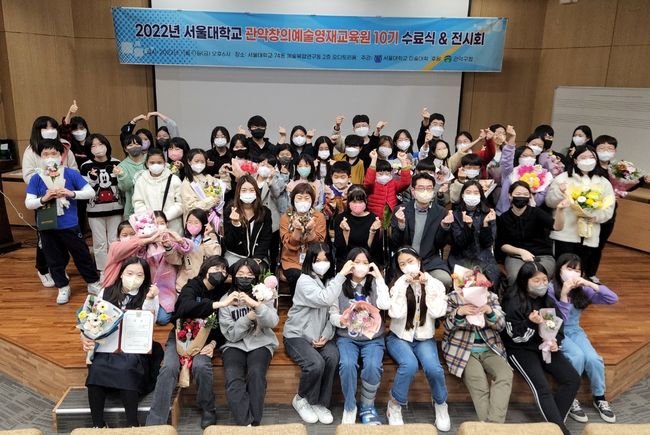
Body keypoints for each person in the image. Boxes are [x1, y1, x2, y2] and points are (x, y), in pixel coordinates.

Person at [147, 255, 235, 429]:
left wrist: (213, 344)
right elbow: (184, 308)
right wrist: (217, 304)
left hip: (206, 339)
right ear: (206, 269)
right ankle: (155, 420)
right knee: (169, 367)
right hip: (180, 335)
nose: (220, 272)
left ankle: (208, 409)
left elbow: (222, 324)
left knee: (201, 366)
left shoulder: (223, 291)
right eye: (216, 268)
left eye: (224, 270)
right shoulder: (192, 286)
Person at [501, 261, 581, 435]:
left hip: (544, 346)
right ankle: (561, 431)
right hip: (520, 349)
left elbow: (557, 326)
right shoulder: (512, 301)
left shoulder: (547, 299)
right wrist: (530, 322)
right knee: (542, 388)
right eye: (536, 281)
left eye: (545, 280)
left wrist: (555, 342)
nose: (542, 284)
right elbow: (515, 337)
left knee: (572, 379)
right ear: (525, 281)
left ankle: (554, 427)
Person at [81, 257, 161, 428]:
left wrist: (149, 299)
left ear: (145, 277)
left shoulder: (150, 294)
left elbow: (149, 324)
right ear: (121, 274)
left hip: (133, 348)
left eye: (139, 275)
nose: (134, 278)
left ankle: (133, 425)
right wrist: (86, 337)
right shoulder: (106, 292)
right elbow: (93, 320)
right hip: (108, 346)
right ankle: (98, 425)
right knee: (96, 370)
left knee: (128, 367)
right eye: (130, 273)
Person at [25, 139, 101, 304]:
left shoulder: (71, 174)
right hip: (47, 226)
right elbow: (29, 203)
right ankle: (63, 287)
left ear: (61, 156)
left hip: (69, 224)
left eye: (53, 153)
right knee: (53, 259)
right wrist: (44, 199)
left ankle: (93, 282)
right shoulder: (37, 178)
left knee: (82, 255)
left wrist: (71, 193)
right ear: (40, 157)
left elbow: (90, 192)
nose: (49, 157)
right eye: (45, 154)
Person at [548, 253, 618, 424]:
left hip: (575, 330)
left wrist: (590, 284)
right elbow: (557, 320)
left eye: (577, 270)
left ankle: (599, 397)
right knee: (577, 356)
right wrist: (564, 295)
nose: (573, 273)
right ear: (559, 269)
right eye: (569, 268)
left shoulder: (582, 288)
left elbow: (612, 299)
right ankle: (571, 397)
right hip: (557, 330)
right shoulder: (550, 288)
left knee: (593, 359)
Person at [385, 248, 449, 430]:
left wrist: (428, 284)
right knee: (409, 365)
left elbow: (438, 312)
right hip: (399, 338)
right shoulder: (397, 285)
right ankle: (394, 405)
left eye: (410, 261)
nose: (407, 266)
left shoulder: (435, 284)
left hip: (424, 338)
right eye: (402, 264)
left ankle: (441, 404)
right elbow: (395, 314)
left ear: (419, 261)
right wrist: (403, 285)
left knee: (434, 369)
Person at [442, 267, 513, 424]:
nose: (477, 284)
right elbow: (446, 326)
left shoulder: (491, 297)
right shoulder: (453, 297)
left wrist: (489, 312)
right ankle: (493, 428)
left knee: (505, 374)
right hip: (463, 350)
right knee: (479, 384)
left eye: (481, 282)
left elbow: (501, 325)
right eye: (472, 281)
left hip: (490, 348)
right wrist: (460, 312)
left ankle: (492, 425)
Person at [329, 248, 390, 424]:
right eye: (357, 262)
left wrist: (379, 278)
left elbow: (385, 304)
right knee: (347, 365)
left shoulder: (375, 284)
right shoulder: (338, 284)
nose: (361, 266)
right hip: (347, 337)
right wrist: (341, 320)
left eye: (365, 262)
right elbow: (332, 313)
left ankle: (367, 406)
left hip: (373, 339)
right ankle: (350, 406)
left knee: (372, 366)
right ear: (349, 264)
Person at [283, 243, 342, 425]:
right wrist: (341, 275)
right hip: (297, 335)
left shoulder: (332, 282)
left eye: (326, 259)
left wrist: (326, 334)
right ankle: (301, 398)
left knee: (332, 356)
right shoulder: (304, 280)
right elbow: (324, 299)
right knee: (315, 363)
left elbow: (333, 312)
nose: (322, 264)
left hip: (321, 335)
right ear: (310, 261)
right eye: (318, 260)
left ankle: (319, 403)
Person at [219, 258, 280, 426]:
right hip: (234, 345)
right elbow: (231, 335)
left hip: (261, 342)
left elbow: (272, 322)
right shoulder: (226, 299)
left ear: (256, 277)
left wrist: (257, 306)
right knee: (233, 378)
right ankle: (245, 423)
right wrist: (248, 317)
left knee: (256, 374)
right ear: (234, 276)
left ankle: (255, 423)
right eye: (240, 273)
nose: (245, 277)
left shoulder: (263, 294)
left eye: (250, 274)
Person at [22, 115, 77, 288]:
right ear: (37, 130)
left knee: (65, 236)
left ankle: (59, 268)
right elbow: (28, 175)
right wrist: (46, 180)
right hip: (44, 199)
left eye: (52, 127)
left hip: (64, 197)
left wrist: (64, 183)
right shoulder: (31, 150)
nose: (50, 131)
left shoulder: (64, 147)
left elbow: (73, 170)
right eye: (45, 128)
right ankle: (43, 269)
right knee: (45, 238)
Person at [545, 145, 615, 279]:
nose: (588, 160)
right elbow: (550, 202)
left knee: (581, 268)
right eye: (583, 157)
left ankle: (578, 289)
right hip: (566, 232)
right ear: (575, 160)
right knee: (562, 266)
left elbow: (609, 207)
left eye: (591, 157)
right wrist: (560, 192)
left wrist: (596, 217)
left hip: (589, 232)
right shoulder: (563, 178)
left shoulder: (603, 182)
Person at [496, 181, 569, 285]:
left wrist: (560, 210)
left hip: (542, 256)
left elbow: (557, 227)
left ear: (530, 196)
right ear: (510, 195)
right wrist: (521, 252)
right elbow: (502, 245)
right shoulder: (504, 217)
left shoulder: (537, 212)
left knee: (538, 277)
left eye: (525, 194)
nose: (521, 197)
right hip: (516, 257)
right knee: (516, 277)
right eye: (518, 194)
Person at [390, 173, 452, 290]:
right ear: (413, 191)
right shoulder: (401, 210)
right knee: (397, 286)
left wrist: (444, 226)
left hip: (430, 261)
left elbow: (440, 244)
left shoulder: (441, 212)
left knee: (445, 279)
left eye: (429, 188)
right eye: (421, 188)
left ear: (433, 191)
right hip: (405, 261)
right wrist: (401, 224)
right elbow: (395, 243)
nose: (425, 191)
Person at [79, 134, 124, 273]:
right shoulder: (85, 166)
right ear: (89, 149)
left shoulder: (117, 163)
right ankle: (103, 271)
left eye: (100, 144)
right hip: (95, 211)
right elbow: (84, 189)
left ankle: (116, 269)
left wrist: (120, 175)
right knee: (99, 243)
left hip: (116, 209)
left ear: (107, 145)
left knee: (114, 241)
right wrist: (92, 179)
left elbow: (122, 186)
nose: (98, 148)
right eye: (93, 146)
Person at [447, 181, 500, 287]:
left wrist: (485, 224)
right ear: (462, 195)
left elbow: (488, 243)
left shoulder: (488, 213)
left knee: (488, 282)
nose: (472, 195)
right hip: (460, 258)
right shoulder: (456, 214)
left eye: (476, 193)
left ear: (481, 195)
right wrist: (468, 227)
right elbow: (459, 243)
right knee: (465, 284)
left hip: (483, 258)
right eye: (468, 192)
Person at [279, 183, 327, 292]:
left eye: (306, 198)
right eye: (299, 198)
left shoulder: (319, 217)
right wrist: (297, 230)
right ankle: (297, 302)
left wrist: (310, 231)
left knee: (314, 277)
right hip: (291, 260)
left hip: (313, 260)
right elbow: (288, 245)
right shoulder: (286, 217)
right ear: (293, 200)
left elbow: (319, 245)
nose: (303, 201)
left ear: (312, 200)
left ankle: (312, 302)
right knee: (297, 276)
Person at [222, 175, 273, 266]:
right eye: (244, 190)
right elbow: (229, 243)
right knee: (238, 270)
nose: (248, 193)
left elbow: (266, 239)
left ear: (256, 192)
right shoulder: (230, 210)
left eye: (251, 190)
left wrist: (257, 258)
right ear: (238, 192)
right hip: (235, 256)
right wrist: (235, 224)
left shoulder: (265, 212)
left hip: (259, 256)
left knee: (257, 270)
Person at [132, 148, 184, 234]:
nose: (156, 165)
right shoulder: (141, 181)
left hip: (173, 225)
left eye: (159, 162)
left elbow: (180, 203)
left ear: (164, 163)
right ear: (147, 163)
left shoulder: (174, 179)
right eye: (152, 163)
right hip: (149, 226)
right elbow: (138, 202)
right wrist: (150, 218)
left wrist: (165, 216)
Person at [333, 186, 382, 270]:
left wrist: (372, 232)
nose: (357, 205)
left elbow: (374, 250)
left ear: (366, 201)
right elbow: (340, 249)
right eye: (354, 201)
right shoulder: (340, 218)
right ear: (349, 202)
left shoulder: (373, 218)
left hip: (367, 260)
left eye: (360, 201)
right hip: (346, 260)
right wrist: (345, 232)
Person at [172, 208, 221, 291]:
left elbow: (215, 256)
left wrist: (206, 236)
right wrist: (169, 248)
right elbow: (175, 260)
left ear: (204, 224)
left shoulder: (211, 237)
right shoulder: (183, 240)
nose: (192, 225)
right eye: (189, 222)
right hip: (184, 284)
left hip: (204, 284)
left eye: (196, 222)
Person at [180, 148, 229, 223]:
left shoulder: (209, 178)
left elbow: (225, 189)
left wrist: (223, 174)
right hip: (196, 221)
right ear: (189, 161)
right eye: (196, 161)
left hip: (214, 220)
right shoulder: (187, 182)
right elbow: (191, 207)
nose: (199, 164)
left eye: (202, 161)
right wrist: (212, 201)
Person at [364, 149, 412, 224]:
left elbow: (405, 183)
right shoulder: (372, 185)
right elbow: (368, 182)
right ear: (375, 173)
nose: (384, 176)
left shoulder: (393, 183)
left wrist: (403, 161)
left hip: (391, 217)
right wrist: (373, 160)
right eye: (380, 174)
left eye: (387, 173)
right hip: (374, 218)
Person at [114, 134, 147, 219]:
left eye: (137, 144)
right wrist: (122, 175)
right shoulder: (122, 166)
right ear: (125, 149)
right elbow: (125, 188)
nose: (134, 147)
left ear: (141, 146)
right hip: (132, 209)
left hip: (153, 205)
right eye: (130, 145)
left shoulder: (150, 159)